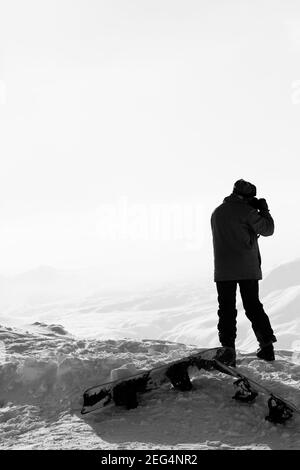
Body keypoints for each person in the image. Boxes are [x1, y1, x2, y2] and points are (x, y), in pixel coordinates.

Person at [210, 179, 277, 363]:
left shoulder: (217, 212)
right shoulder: (248, 212)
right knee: (253, 306)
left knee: (226, 310)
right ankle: (266, 347)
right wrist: (263, 210)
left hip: (223, 269)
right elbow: (268, 230)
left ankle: (228, 351)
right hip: (246, 269)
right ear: (246, 197)